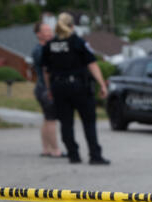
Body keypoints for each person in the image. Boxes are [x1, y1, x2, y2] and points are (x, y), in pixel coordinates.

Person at [41, 12, 110, 165]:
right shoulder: (77, 42)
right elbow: (92, 64)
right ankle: (95, 155)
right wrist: (102, 84)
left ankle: (73, 154)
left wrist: (50, 89)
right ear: (72, 26)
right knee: (88, 121)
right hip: (79, 87)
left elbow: (46, 71)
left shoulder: (49, 45)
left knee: (66, 123)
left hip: (59, 87)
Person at [32, 22, 66, 158]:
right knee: (51, 119)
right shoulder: (41, 50)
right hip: (45, 88)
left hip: (41, 88)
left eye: (50, 30)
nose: (50, 33)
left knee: (47, 119)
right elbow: (48, 69)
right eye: (46, 31)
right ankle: (55, 150)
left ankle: (46, 148)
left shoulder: (43, 48)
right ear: (38, 34)